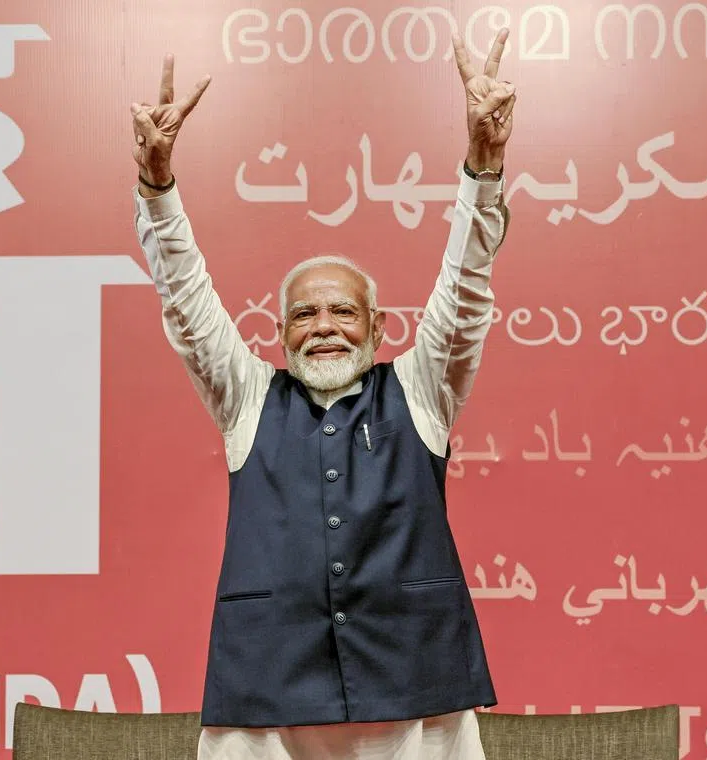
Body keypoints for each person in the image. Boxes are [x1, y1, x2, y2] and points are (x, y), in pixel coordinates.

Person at [129, 27, 517, 760]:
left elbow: (466, 291)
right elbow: (185, 298)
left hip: (414, 684)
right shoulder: (248, 398)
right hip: (267, 685)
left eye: (343, 311)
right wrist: (157, 189)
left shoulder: (422, 390)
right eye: (304, 314)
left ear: (378, 326)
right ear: (279, 333)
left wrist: (484, 165)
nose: (325, 327)